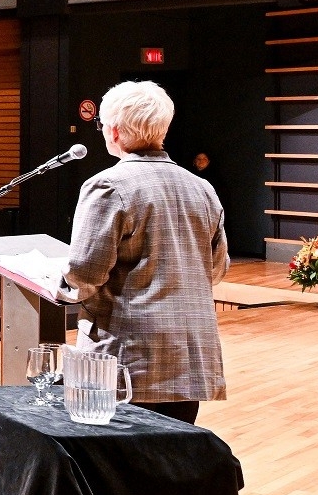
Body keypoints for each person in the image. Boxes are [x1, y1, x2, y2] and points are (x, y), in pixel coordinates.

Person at [64, 81, 228, 426]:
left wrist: (58, 286)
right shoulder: (202, 188)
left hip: (127, 361)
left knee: (115, 469)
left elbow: (85, 273)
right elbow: (215, 269)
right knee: (169, 466)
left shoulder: (108, 185)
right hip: (188, 358)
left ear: (115, 130)